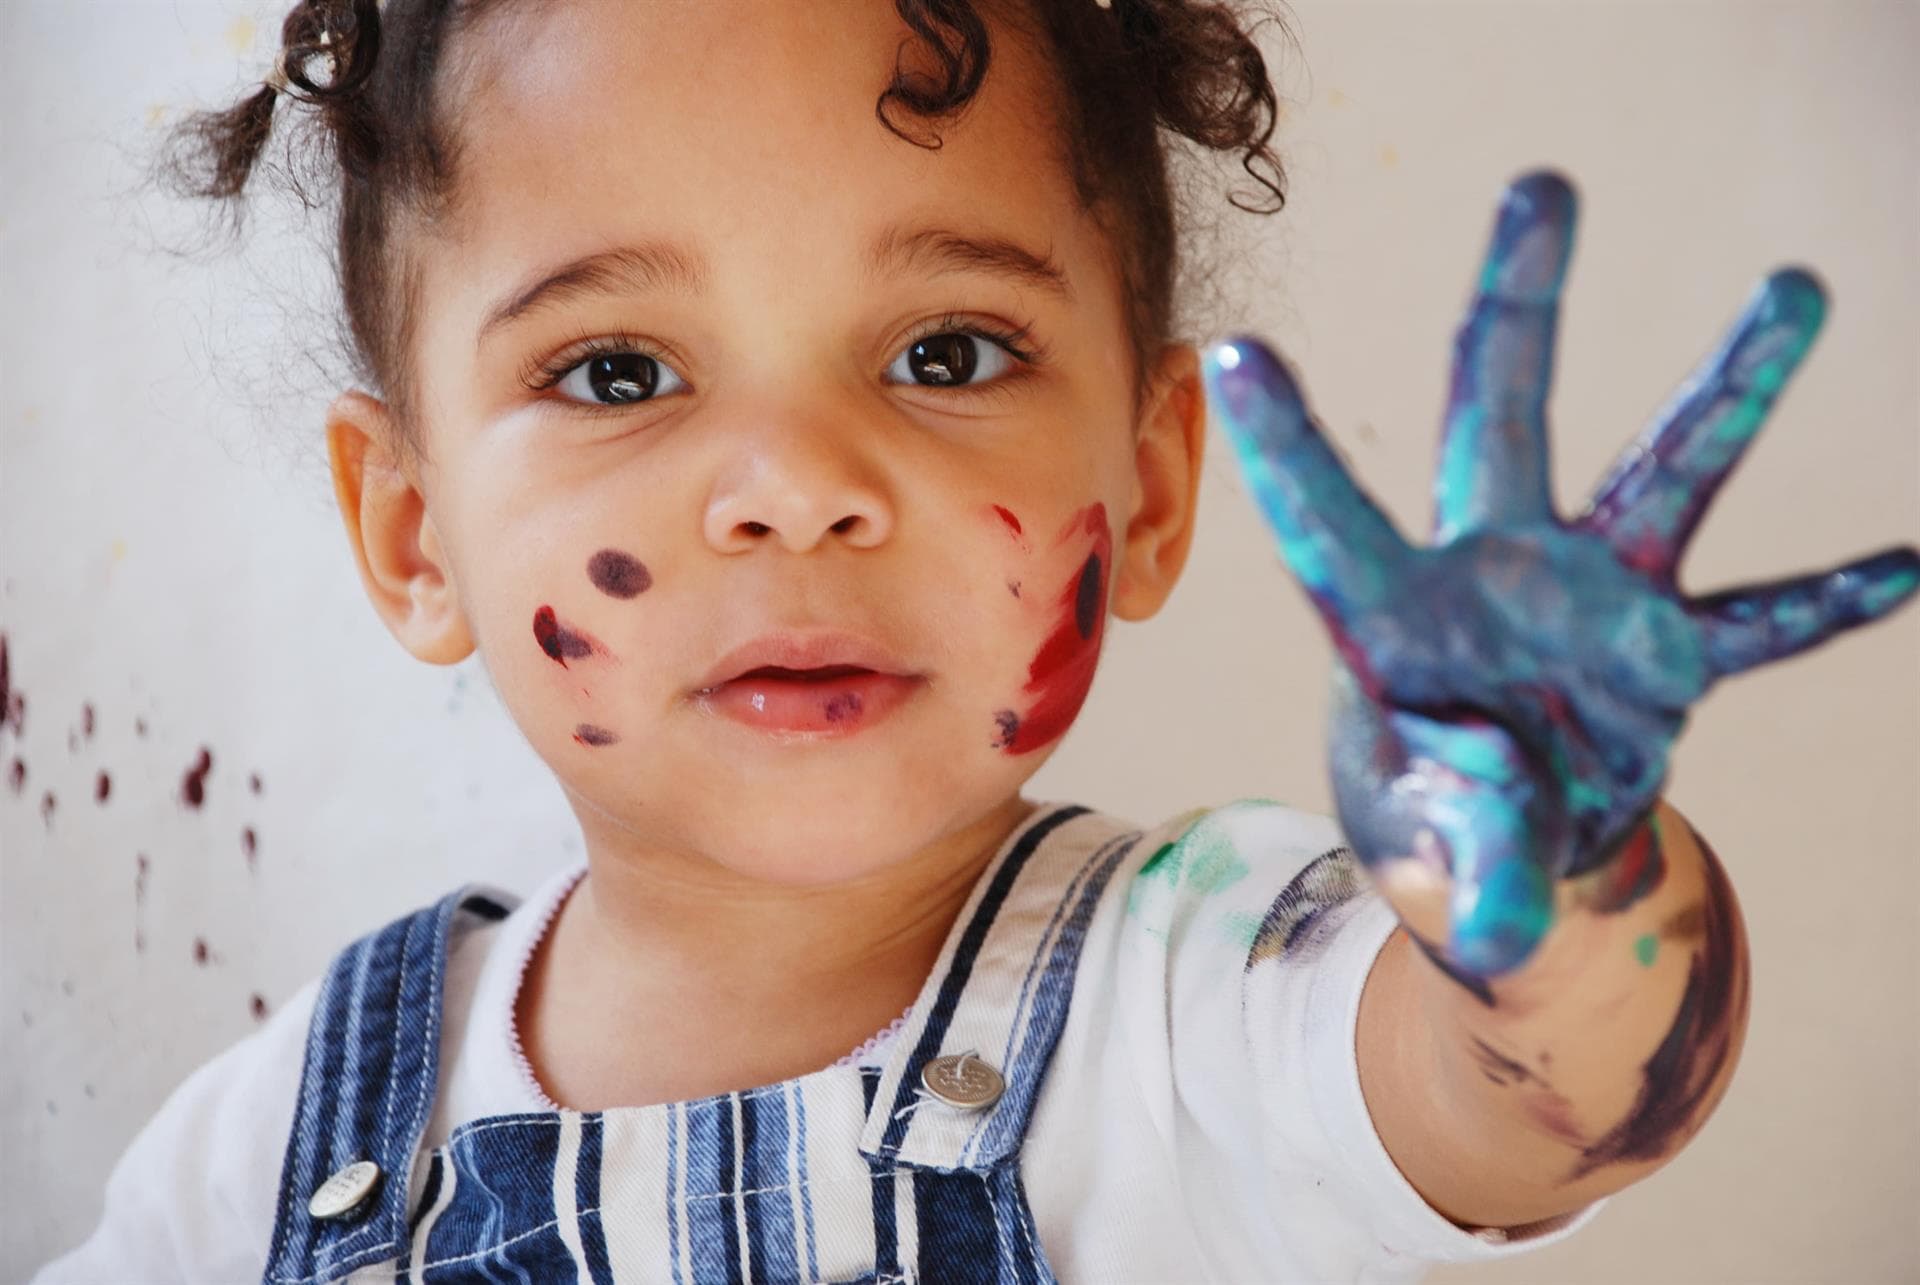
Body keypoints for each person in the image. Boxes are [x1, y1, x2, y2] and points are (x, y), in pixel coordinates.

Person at [36, 0, 1918, 1281]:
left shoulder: (1221, 1004)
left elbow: (1540, 1092)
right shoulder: (283, 1140)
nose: (795, 485)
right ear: (410, 529)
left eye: (946, 352)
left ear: (1156, 481)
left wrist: (1553, 866)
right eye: (618, 371)